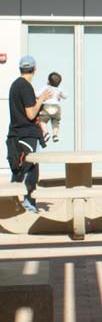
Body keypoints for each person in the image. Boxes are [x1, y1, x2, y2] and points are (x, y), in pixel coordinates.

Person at [6, 55, 51, 213]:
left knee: (18, 170)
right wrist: (42, 99)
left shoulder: (15, 85)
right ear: (35, 69)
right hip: (27, 135)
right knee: (31, 171)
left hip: (16, 134)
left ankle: (12, 203)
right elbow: (31, 114)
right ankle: (29, 205)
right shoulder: (25, 86)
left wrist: (36, 99)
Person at [36, 71, 67, 144]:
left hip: (46, 107)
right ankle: (55, 135)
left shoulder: (46, 88)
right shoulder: (59, 89)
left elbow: (37, 95)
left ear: (48, 81)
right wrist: (60, 94)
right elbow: (66, 96)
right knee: (55, 122)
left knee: (42, 121)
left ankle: (46, 133)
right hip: (56, 107)